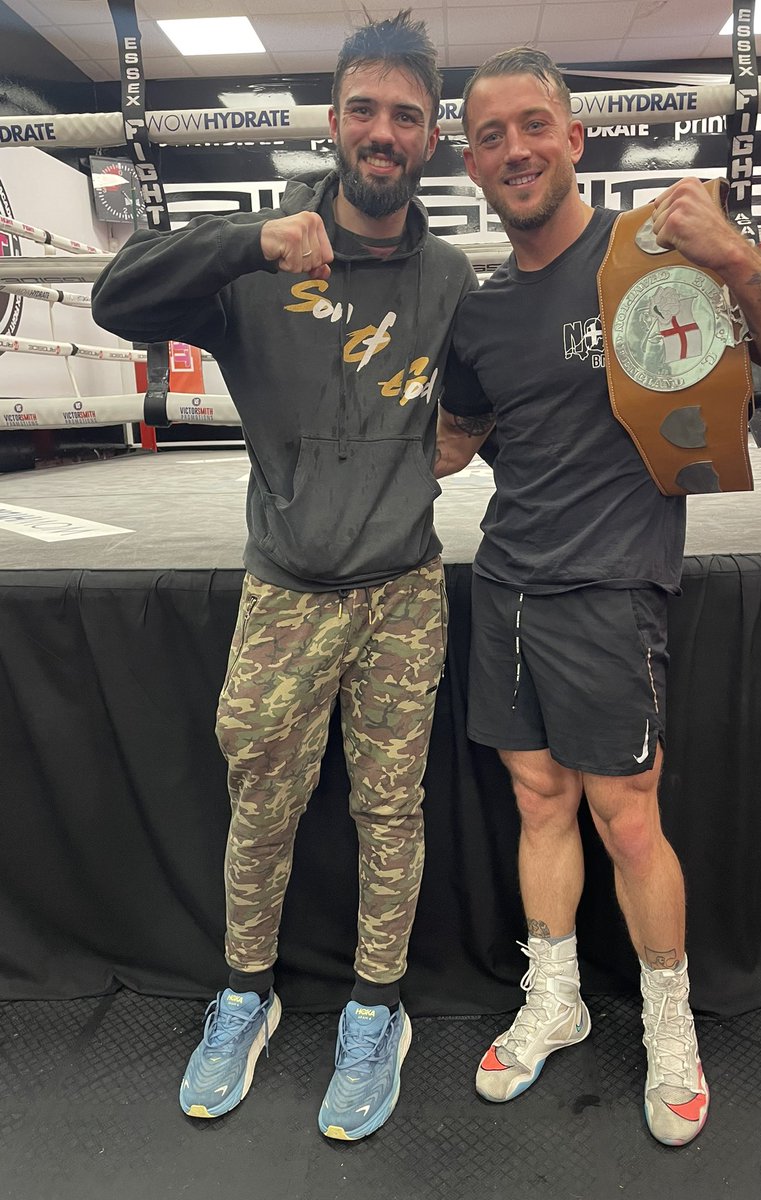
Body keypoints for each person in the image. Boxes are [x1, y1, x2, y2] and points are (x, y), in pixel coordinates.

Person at [435, 48, 761, 1146]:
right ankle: (555, 999)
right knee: (538, 803)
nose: (513, 148)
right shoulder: (476, 315)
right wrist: (331, 378)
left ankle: (670, 1026)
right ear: (469, 163)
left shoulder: (653, 256)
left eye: (533, 125)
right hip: (505, 581)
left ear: (574, 138)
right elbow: (446, 449)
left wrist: (736, 253)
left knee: (626, 817)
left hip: (612, 590)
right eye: (489, 136)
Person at [92, 10, 476, 1141]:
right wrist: (251, 243)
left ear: (429, 136)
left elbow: (493, 387)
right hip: (286, 589)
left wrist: (460, 433)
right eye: (365, 108)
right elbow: (119, 297)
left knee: (390, 810)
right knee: (261, 804)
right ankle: (244, 994)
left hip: (404, 589)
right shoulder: (260, 255)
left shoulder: (449, 274)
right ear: (334, 119)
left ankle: (375, 1009)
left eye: (406, 115)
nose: (383, 131)